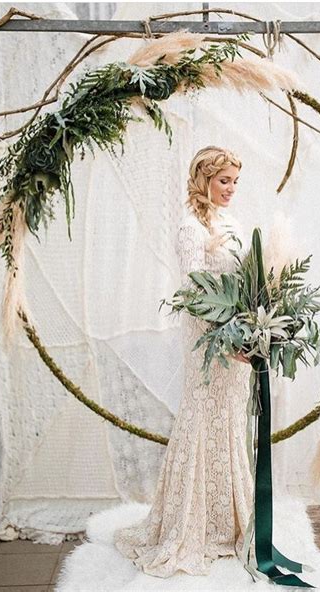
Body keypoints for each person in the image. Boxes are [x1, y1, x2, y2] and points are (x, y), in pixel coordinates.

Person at [113, 146, 254, 577]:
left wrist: (251, 327)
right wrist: (225, 337)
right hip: (209, 341)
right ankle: (190, 524)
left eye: (234, 181)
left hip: (236, 340)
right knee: (202, 418)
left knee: (229, 419)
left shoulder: (230, 222)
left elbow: (246, 279)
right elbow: (194, 294)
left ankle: (228, 519)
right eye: (223, 180)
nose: (230, 188)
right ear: (203, 180)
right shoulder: (190, 227)